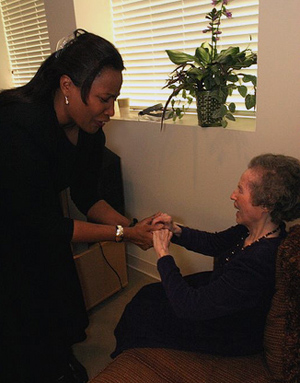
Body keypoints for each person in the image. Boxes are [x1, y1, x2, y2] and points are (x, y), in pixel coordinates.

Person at [0, 29, 160, 383]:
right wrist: (124, 234)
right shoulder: (18, 130)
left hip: (42, 228)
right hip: (10, 231)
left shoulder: (90, 132)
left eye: (115, 99)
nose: (110, 111)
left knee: (59, 304)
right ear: (68, 86)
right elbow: (46, 227)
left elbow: (87, 197)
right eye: (104, 99)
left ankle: (59, 361)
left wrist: (134, 225)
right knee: (21, 317)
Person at [112, 153, 300, 359]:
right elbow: (214, 243)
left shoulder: (260, 260)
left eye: (240, 190)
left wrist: (163, 254)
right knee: (148, 293)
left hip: (227, 333)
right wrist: (175, 230)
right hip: (217, 297)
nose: (232, 195)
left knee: (141, 313)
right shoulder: (253, 229)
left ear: (267, 205)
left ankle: (126, 356)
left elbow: (190, 308)